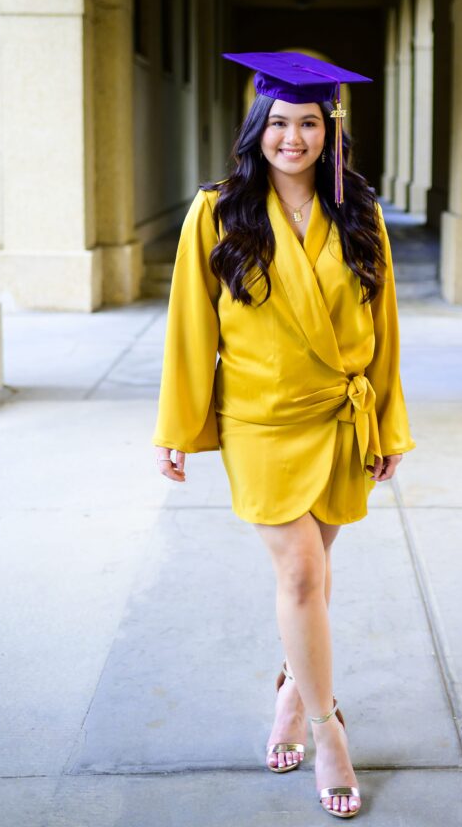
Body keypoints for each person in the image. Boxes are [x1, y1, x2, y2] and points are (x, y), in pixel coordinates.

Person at [152, 51, 415, 819]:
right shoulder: (218, 210)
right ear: (255, 129)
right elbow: (189, 328)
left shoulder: (357, 212)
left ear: (329, 131)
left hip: (339, 416)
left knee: (317, 575)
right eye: (278, 123)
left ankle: (290, 691)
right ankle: (327, 729)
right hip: (262, 422)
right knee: (300, 574)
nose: (292, 137)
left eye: (308, 122)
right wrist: (177, 426)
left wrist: (389, 423)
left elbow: (385, 327)